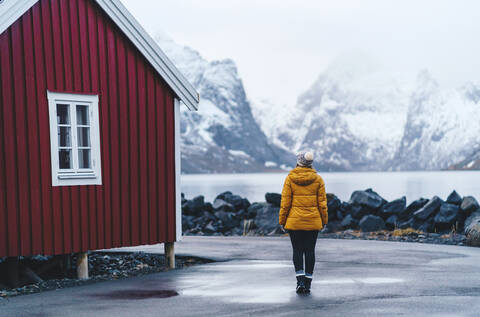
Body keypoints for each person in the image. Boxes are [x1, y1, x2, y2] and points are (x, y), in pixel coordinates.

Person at [279, 151, 328, 294]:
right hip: (313, 222)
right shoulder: (318, 180)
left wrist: (282, 220)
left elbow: (285, 203)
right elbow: (323, 204)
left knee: (298, 250)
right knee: (310, 251)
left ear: (298, 162)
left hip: (294, 222)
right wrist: (324, 221)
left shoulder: (290, 178)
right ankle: (308, 283)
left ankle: (299, 281)